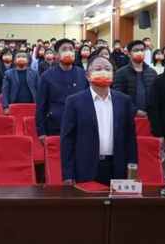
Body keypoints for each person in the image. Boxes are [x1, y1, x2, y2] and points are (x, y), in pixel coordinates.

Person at [60, 55, 138, 185]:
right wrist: (68, 174)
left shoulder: (124, 101)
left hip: (117, 167)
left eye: (107, 69)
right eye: (98, 69)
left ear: (113, 74)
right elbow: (67, 140)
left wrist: (132, 171)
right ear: (88, 75)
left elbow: (130, 139)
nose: (103, 72)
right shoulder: (74, 101)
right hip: (85, 168)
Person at [36, 38, 89, 140]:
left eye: (71, 49)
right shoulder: (47, 76)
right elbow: (41, 105)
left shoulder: (83, 74)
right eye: (64, 49)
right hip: (55, 124)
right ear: (56, 55)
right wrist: (41, 131)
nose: (68, 52)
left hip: (80, 124)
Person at [111, 40, 157, 117]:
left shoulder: (152, 73)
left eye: (142, 50)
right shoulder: (121, 73)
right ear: (129, 54)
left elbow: (156, 95)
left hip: (149, 116)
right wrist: (134, 110)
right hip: (128, 115)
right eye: (136, 50)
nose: (140, 52)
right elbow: (118, 95)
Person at [1, 49, 39, 114]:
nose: (21, 58)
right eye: (18, 57)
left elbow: (39, 90)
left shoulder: (34, 73)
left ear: (28, 60)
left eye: (24, 57)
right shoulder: (8, 74)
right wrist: (6, 107)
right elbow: (5, 92)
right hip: (14, 104)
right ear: (14, 61)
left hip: (31, 104)